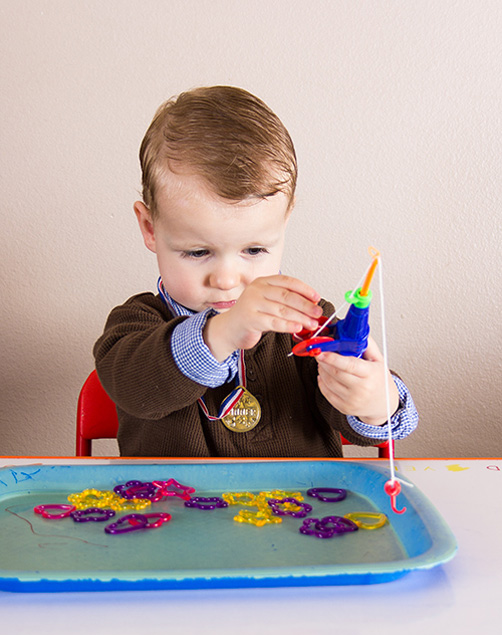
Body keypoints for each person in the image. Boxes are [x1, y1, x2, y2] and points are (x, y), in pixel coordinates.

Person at [93, 86, 418, 457]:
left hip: (298, 512)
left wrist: (376, 402)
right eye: (198, 252)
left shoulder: (310, 322)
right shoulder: (133, 325)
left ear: (284, 222)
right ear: (150, 228)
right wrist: (224, 331)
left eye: (254, 250)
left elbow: (374, 427)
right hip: (178, 512)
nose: (228, 280)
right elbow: (138, 389)